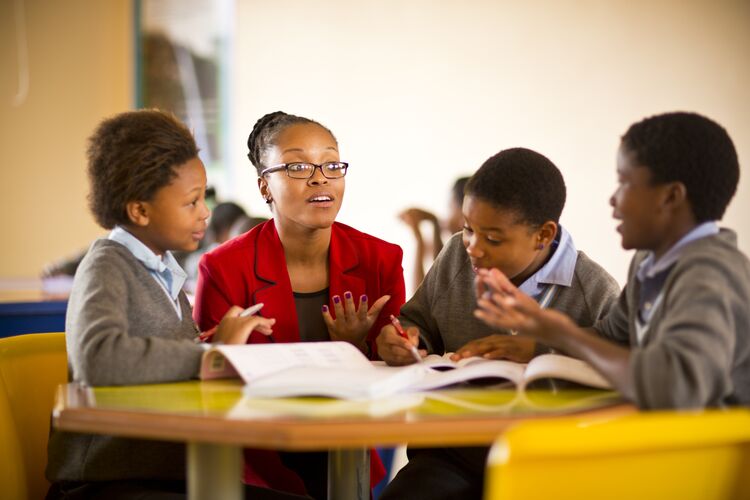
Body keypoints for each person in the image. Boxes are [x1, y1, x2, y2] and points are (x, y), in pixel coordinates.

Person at [45, 109, 307, 500]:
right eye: (191, 202)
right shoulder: (107, 264)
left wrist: (220, 345)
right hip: (104, 484)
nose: (205, 212)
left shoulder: (164, 271)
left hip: (172, 476)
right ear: (140, 210)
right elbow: (98, 358)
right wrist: (210, 355)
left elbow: (168, 365)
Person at [376, 147, 620, 500]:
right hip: (450, 451)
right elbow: (418, 321)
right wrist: (403, 340)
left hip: (546, 463)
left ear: (543, 235)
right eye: (466, 229)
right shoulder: (457, 258)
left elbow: (618, 369)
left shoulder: (594, 291)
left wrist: (539, 348)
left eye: (492, 238)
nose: (473, 247)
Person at [193, 111, 406, 498]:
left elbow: (399, 369)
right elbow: (211, 384)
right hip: (252, 461)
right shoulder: (223, 268)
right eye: (297, 166)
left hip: (344, 452)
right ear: (264, 188)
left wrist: (361, 347)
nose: (319, 177)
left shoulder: (381, 259)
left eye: (330, 164)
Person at [474, 112, 750, 410]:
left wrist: (562, 333)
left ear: (671, 198)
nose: (613, 200)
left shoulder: (710, 273)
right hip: (667, 439)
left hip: (711, 448)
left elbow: (676, 388)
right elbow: (615, 337)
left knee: (523, 453)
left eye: (624, 183)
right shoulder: (650, 262)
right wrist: (537, 341)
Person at [399, 177, 469, 290]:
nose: (447, 216)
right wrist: (434, 223)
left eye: (450, 207)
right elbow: (440, 271)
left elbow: (422, 299)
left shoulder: (468, 252)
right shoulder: (459, 250)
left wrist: (419, 241)